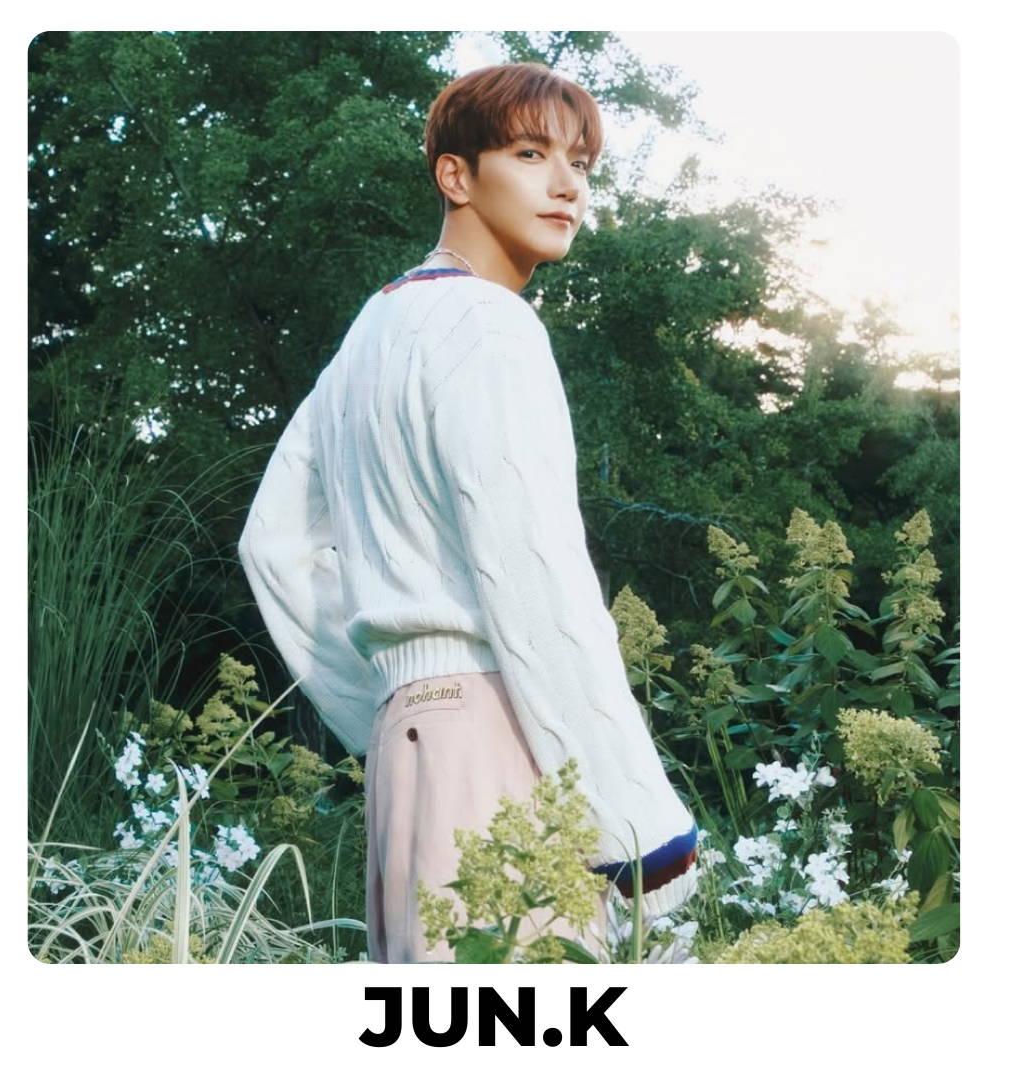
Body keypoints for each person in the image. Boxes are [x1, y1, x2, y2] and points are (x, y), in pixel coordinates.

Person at [238, 61, 698, 964]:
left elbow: (272, 545)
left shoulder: (370, 334)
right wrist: (647, 835)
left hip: (409, 756)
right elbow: (536, 579)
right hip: (505, 746)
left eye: (580, 163)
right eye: (530, 154)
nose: (567, 185)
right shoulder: (490, 324)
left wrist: (385, 704)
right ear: (456, 175)